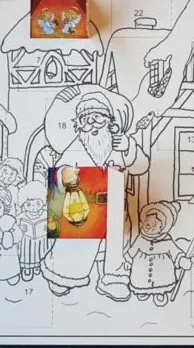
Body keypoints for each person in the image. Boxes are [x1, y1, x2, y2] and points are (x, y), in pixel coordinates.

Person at [41, 88, 149, 301]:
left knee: (115, 249)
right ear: (80, 124)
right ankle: (63, 276)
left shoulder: (120, 145)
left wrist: (129, 147)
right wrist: (65, 174)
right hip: (85, 208)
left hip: (115, 208)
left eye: (97, 117)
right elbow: (59, 173)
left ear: (108, 120)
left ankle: (113, 280)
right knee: (78, 245)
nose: (92, 123)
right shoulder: (75, 147)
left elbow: (142, 166)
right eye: (86, 119)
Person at [124, 201, 191, 307]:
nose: (149, 226)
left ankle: (160, 292)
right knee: (140, 279)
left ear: (162, 227)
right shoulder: (141, 237)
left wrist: (182, 260)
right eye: (147, 223)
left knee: (162, 279)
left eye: (154, 224)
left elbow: (175, 252)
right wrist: (128, 260)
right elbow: (133, 250)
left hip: (162, 269)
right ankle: (142, 290)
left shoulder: (167, 240)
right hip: (142, 266)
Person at [16, 181, 49, 281]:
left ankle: (38, 265)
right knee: (27, 253)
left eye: (37, 203)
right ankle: (27, 267)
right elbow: (15, 226)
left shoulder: (46, 213)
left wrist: (49, 227)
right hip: (27, 240)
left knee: (41, 252)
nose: (34, 207)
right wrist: (20, 228)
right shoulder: (21, 215)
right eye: (29, 204)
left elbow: (54, 224)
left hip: (41, 239)